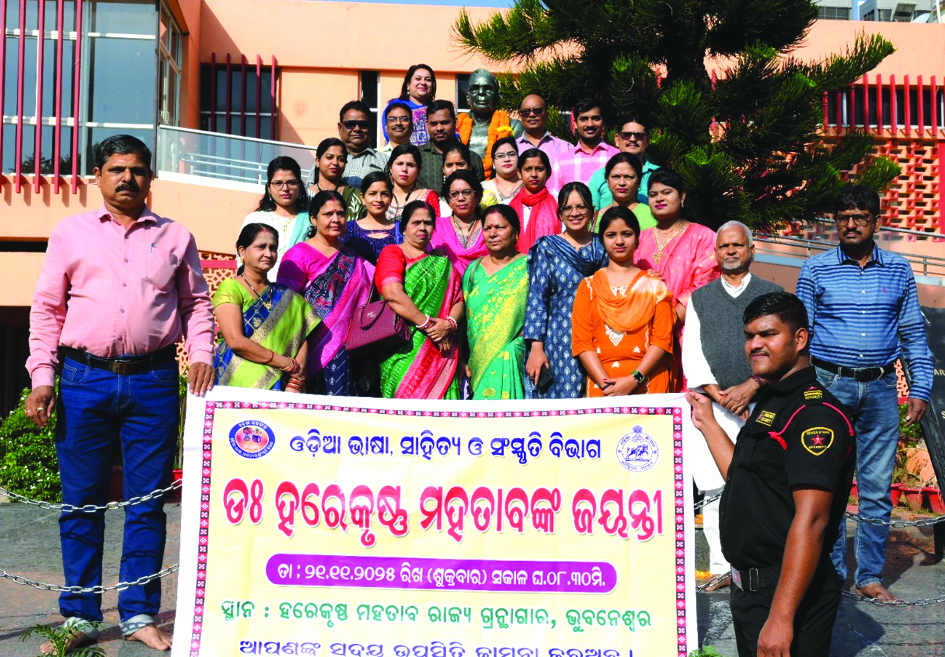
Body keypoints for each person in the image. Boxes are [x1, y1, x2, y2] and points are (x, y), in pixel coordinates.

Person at [24, 134, 215, 653]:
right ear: (97, 176)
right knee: (81, 502)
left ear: (151, 178)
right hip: (85, 380)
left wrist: (202, 353)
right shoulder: (70, 234)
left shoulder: (177, 236)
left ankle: (138, 613)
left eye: (136, 169)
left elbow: (197, 303)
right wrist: (42, 378)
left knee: (147, 503)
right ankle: (81, 616)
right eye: (115, 169)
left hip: (153, 382)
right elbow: (47, 309)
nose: (126, 178)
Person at [687, 292, 856, 657]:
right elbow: (747, 479)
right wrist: (708, 425)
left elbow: (812, 520)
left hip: (788, 593)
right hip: (751, 591)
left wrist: (781, 617)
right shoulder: (772, 400)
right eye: (749, 336)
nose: (755, 345)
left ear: (800, 339)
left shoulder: (816, 415)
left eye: (767, 334)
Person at [796, 184, 933, 601]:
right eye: (843, 218)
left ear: (876, 221)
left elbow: (912, 334)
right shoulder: (815, 269)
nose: (851, 224)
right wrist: (802, 393)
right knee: (829, 483)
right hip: (827, 387)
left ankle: (869, 576)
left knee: (875, 486)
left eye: (860, 217)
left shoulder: (898, 269)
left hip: (879, 389)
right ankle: (832, 575)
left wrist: (920, 389)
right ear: (835, 223)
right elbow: (799, 337)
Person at [682, 221, 784, 588]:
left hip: (763, 406)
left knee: (762, 486)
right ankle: (724, 567)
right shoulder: (700, 298)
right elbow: (691, 354)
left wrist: (751, 387)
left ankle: (766, 562)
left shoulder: (772, 295)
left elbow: (781, 351)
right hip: (715, 408)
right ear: (716, 252)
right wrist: (722, 395)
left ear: (751, 250)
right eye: (723, 246)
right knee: (713, 490)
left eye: (737, 245)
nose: (730, 251)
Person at [278, 191, 374, 396]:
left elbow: (364, 304)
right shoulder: (298, 255)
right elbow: (286, 308)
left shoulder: (355, 259)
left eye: (341, 214)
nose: (335, 219)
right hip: (304, 349)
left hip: (345, 350)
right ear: (313, 218)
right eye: (328, 214)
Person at [573, 207, 675, 397]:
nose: (619, 241)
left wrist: (634, 379)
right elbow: (582, 343)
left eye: (626, 234)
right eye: (611, 235)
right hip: (602, 386)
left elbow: (662, 340)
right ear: (602, 240)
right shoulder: (588, 287)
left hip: (648, 385)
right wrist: (607, 386)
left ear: (637, 239)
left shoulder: (654, 287)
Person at [524, 182, 607, 399]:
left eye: (581, 207)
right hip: (558, 339)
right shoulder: (548, 247)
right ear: (559, 214)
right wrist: (536, 347)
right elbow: (537, 299)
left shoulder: (603, 246)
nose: (575, 213)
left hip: (599, 336)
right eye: (567, 208)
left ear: (592, 210)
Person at [213, 224, 319, 391]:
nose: (268, 254)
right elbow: (236, 341)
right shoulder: (231, 287)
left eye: (273, 248)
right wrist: (284, 362)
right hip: (237, 384)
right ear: (242, 251)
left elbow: (301, 338)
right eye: (260, 247)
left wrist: (295, 382)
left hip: (282, 387)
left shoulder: (290, 298)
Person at [376, 200, 464, 399]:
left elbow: (459, 300)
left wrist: (449, 324)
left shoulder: (443, 262)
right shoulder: (393, 253)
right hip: (402, 350)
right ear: (404, 227)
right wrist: (429, 325)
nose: (422, 228)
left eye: (428, 223)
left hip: (441, 352)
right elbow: (392, 294)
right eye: (416, 223)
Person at [636, 167, 719, 330]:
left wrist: (667, 324)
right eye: (653, 195)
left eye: (666, 192)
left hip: (684, 333)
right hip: (640, 331)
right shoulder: (640, 238)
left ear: (682, 196)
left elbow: (703, 287)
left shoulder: (703, 237)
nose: (659, 198)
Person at [462, 204, 529, 400]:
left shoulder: (529, 266)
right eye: (488, 228)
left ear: (516, 233)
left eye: (500, 227)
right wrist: (462, 359)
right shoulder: (473, 271)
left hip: (514, 357)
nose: (493, 234)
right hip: (477, 361)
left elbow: (540, 311)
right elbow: (464, 320)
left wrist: (518, 345)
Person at [240, 156, 310, 280]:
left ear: (300, 185)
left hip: (300, 293)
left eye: (291, 182)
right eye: (278, 183)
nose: (285, 188)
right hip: (259, 291)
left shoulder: (311, 221)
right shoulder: (255, 219)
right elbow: (242, 261)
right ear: (269, 187)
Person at [456, 68, 523, 175]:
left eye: (487, 89)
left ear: (498, 97)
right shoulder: (455, 125)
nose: (481, 93)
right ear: (468, 98)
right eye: (475, 89)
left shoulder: (514, 127)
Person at [308, 101, 386, 190]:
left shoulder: (384, 161)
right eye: (350, 124)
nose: (357, 129)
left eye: (363, 125)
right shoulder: (325, 160)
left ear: (370, 127)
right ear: (340, 127)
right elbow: (310, 192)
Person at [548, 99, 618, 194]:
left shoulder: (617, 157)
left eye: (595, 118)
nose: (590, 124)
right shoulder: (561, 162)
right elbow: (554, 197)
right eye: (584, 119)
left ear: (604, 123)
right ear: (575, 124)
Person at [588, 115, 659, 209]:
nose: (632, 139)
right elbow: (591, 215)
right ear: (617, 140)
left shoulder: (659, 174)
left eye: (639, 135)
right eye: (627, 135)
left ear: (648, 140)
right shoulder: (600, 176)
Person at [418, 100, 485, 191]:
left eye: (445, 122)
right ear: (427, 125)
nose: (439, 128)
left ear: (455, 122)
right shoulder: (417, 157)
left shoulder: (472, 158)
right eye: (434, 124)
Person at [431, 169, 488, 276]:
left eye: (466, 192)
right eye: (454, 194)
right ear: (448, 199)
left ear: (477, 195)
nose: (461, 198)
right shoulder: (437, 226)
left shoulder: (489, 226)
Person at [343, 171, 401, 265]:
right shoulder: (349, 229)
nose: (378, 199)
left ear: (391, 198)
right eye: (372, 193)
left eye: (384, 194)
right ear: (362, 198)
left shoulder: (400, 230)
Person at [509, 148, 560, 252]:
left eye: (539, 169)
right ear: (519, 173)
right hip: (516, 264)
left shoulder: (558, 203)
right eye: (528, 169)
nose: (534, 174)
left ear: (548, 173)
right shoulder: (510, 207)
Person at [308, 137, 365, 223]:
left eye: (341, 159)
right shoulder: (305, 197)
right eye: (329, 157)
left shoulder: (356, 197)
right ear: (317, 161)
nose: (335, 162)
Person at [597, 152, 656, 231]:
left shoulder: (650, 215)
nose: (622, 183)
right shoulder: (597, 219)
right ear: (607, 180)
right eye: (616, 177)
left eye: (628, 177)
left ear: (639, 181)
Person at [382, 64, 436, 146]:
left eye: (428, 80)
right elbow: (389, 134)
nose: (423, 83)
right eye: (418, 79)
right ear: (408, 84)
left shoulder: (437, 109)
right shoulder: (396, 105)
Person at [386, 144, 439, 224]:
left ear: (418, 171)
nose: (404, 169)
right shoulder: (382, 196)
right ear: (390, 168)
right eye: (400, 164)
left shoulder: (427, 196)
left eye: (410, 165)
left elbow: (435, 228)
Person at [517, 93, 571, 165]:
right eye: (526, 111)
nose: (532, 115)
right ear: (520, 115)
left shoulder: (565, 148)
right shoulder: (512, 149)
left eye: (537, 111)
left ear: (547, 115)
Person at [480, 136, 523, 205]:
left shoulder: (527, 187)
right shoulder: (483, 188)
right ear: (493, 162)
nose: (507, 159)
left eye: (511, 154)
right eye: (500, 156)